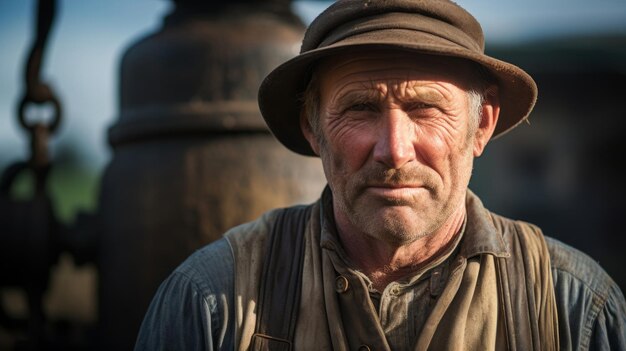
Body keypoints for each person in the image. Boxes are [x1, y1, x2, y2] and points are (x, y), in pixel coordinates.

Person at [135, 0, 626, 350]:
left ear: (482, 125)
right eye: (362, 108)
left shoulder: (574, 308)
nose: (394, 150)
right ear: (313, 128)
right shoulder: (212, 301)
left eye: (426, 109)